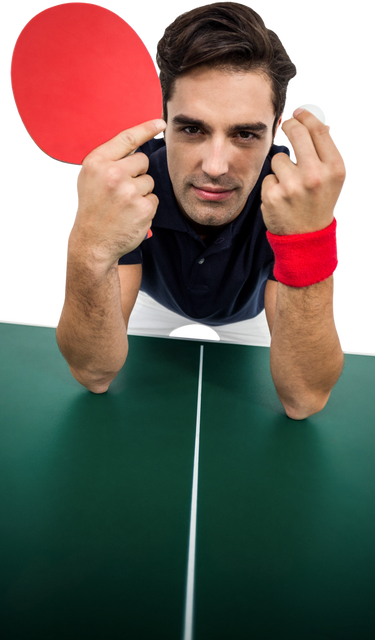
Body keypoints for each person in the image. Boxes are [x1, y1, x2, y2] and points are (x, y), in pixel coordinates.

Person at [56, 2, 348, 420]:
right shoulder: (129, 182)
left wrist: (310, 241)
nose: (215, 166)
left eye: (245, 134)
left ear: (276, 130)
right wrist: (87, 245)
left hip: (250, 315)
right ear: (164, 117)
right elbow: (93, 374)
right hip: (151, 302)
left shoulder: (288, 199)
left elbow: (303, 400)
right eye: (192, 129)